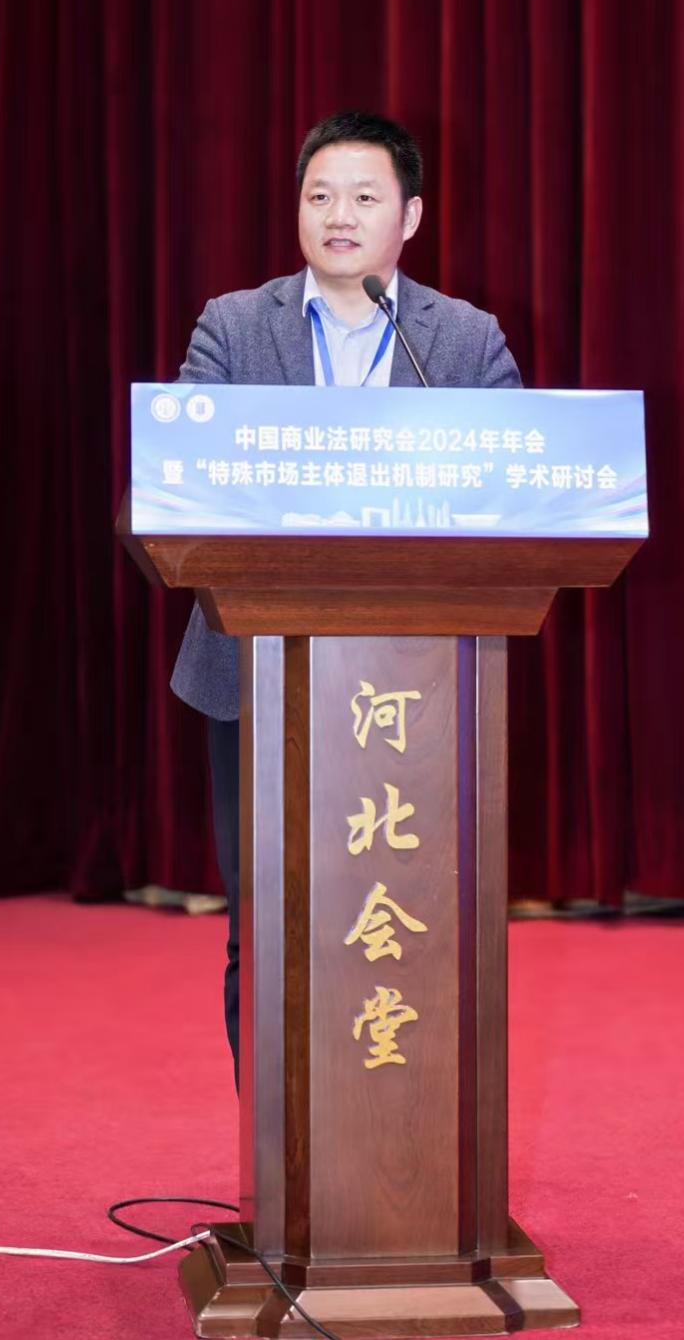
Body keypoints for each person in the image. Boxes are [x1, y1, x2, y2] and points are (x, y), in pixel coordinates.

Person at [171, 110, 521, 1081]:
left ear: (409, 216)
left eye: (365, 197)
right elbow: (182, 477)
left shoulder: (463, 341)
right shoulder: (234, 326)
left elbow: (515, 493)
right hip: (255, 670)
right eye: (319, 195)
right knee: (266, 920)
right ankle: (271, 1156)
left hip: (423, 681)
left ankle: (403, 1154)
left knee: (418, 922)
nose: (338, 215)